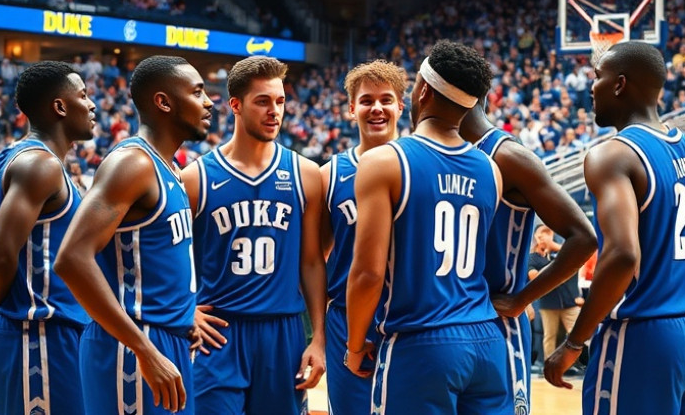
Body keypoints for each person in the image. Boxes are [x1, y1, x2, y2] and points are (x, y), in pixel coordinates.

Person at [543, 42, 685, 414]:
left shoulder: (611, 154)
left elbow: (624, 256)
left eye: (598, 77)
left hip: (642, 337)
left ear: (619, 84)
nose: (591, 87)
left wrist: (576, 342)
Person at [346, 40, 511, 414]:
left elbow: (368, 274)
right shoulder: (491, 169)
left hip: (420, 340)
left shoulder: (384, 161)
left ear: (422, 90)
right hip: (486, 340)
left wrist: (356, 345)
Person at [54, 56, 213, 414]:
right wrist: (143, 348)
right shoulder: (133, 163)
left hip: (163, 338)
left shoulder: (169, 167)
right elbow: (72, 258)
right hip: (133, 346)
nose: (209, 102)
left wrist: (184, 314)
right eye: (198, 92)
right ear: (164, 101)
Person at [0, 61, 97, 415]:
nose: (91, 105)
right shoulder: (40, 165)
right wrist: (4, 300)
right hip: (33, 332)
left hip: (8, 327)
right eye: (83, 96)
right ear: (60, 107)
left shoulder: (4, 159)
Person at [181, 56, 326, 414]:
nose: (274, 111)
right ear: (235, 105)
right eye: (263, 101)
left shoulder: (305, 173)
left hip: (283, 333)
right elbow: (171, 258)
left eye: (279, 102)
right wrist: (185, 310)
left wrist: (319, 338)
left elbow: (311, 262)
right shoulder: (195, 179)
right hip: (219, 333)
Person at [460, 95, 597, 413]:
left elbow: (583, 237)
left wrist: (522, 299)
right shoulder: (443, 154)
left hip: (498, 321)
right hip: (451, 322)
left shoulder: (506, 154)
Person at [320, 61, 405, 414]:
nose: (377, 108)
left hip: (408, 316)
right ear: (351, 108)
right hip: (346, 316)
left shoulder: (418, 164)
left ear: (401, 106)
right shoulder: (329, 175)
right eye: (367, 100)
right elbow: (314, 257)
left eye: (386, 100)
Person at [528, 225, 584, 360]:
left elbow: (579, 258)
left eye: (548, 233)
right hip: (548, 303)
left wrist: (554, 246)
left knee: (577, 334)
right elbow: (535, 278)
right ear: (536, 237)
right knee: (550, 336)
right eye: (541, 234)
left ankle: (578, 363)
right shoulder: (532, 258)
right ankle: (549, 364)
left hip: (570, 301)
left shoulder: (561, 252)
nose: (544, 237)